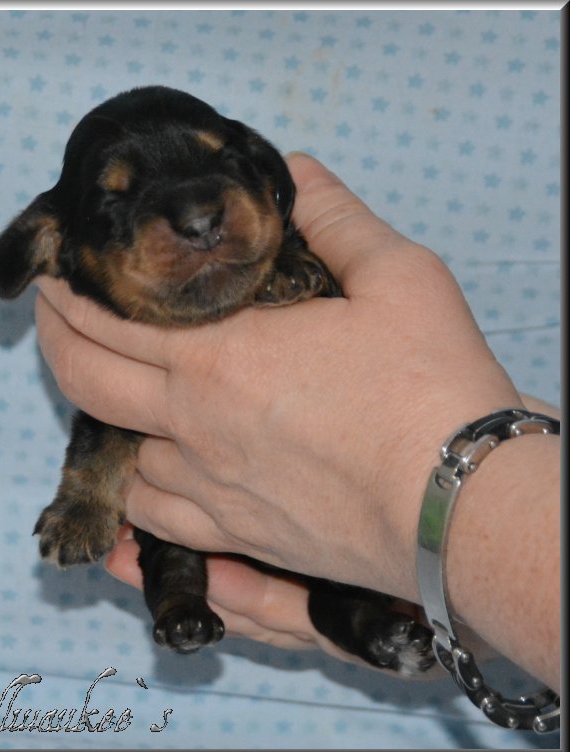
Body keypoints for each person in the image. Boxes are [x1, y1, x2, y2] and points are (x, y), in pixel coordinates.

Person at [34, 153, 560, 692]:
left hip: (355, 548)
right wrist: (501, 600)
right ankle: (193, 599)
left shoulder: (278, 242)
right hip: (228, 518)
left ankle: (356, 619)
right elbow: (106, 427)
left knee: (308, 585)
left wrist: (418, 487)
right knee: (166, 530)